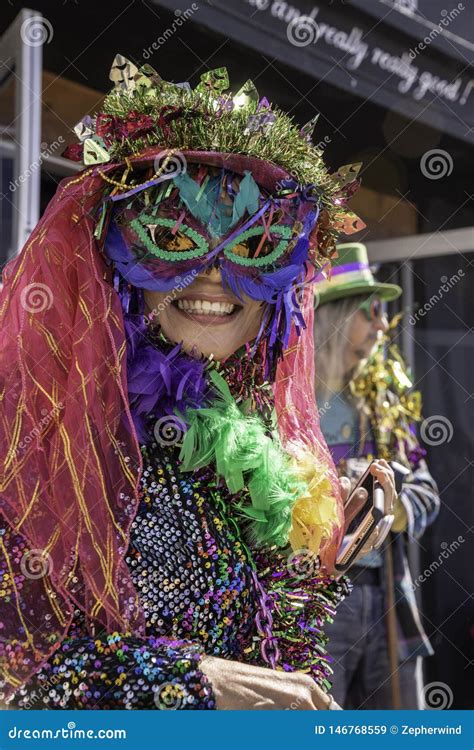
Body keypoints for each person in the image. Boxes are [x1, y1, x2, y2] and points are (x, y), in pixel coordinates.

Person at [0, 58, 396, 710]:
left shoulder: (243, 435)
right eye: (173, 236)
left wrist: (311, 558)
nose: (213, 275)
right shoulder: (35, 430)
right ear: (110, 256)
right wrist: (193, 681)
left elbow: (264, 652)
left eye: (255, 245)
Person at [313, 242, 440, 709]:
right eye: (371, 312)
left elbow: (426, 493)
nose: (384, 326)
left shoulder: (383, 405)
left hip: (387, 596)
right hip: (313, 601)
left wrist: (389, 507)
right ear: (338, 316)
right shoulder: (286, 405)